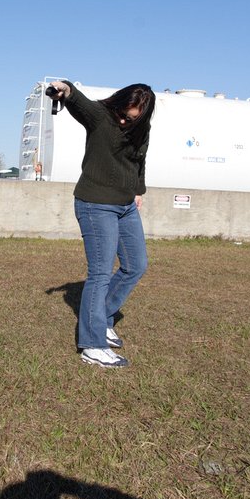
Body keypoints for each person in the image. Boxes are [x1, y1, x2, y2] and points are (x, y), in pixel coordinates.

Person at [47, 80, 155, 368]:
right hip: (95, 204)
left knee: (136, 265)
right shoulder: (101, 117)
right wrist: (65, 88)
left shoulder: (142, 131)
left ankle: (101, 317)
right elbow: (76, 99)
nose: (123, 120)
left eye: (130, 118)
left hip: (126, 205)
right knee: (100, 274)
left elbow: (138, 163)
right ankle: (93, 345)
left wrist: (138, 191)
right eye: (122, 113)